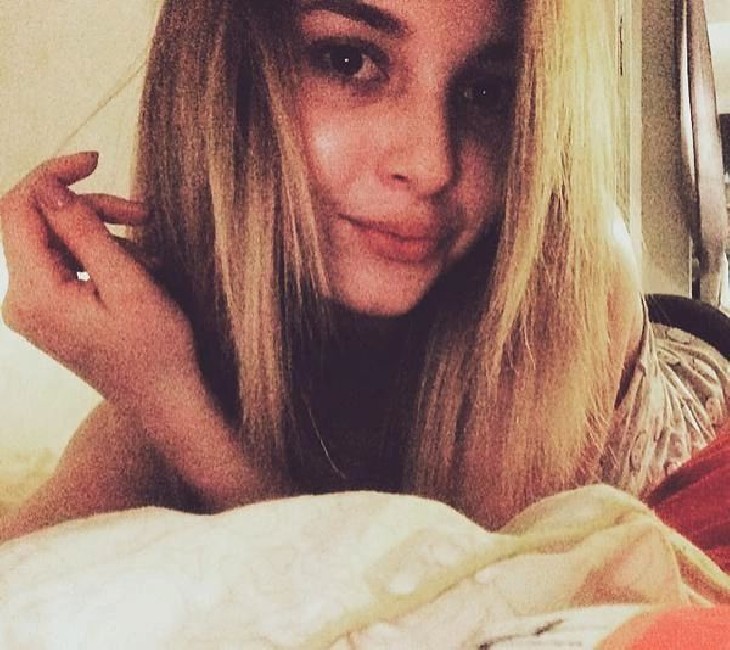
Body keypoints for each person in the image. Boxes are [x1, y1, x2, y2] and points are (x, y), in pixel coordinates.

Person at [0, 0, 726, 543]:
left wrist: (171, 403)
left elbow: (440, 614)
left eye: (488, 91)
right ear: (223, 77)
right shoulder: (188, 325)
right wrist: (151, 380)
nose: (431, 163)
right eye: (350, 62)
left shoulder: (562, 264)